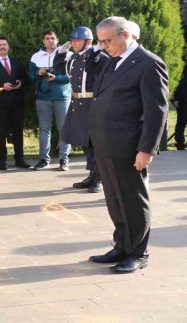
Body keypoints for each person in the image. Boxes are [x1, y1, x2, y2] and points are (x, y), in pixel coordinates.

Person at [87, 16, 168, 274]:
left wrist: (146, 149)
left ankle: (138, 253)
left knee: (133, 200)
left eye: (107, 41)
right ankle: (122, 246)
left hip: (129, 146)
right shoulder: (113, 60)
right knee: (114, 199)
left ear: (125, 35)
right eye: (100, 41)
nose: (103, 46)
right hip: (106, 144)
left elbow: (156, 111)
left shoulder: (149, 63)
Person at [54, 26, 108, 193]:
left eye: (77, 40)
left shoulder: (99, 57)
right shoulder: (74, 58)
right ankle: (92, 175)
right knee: (86, 143)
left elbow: (98, 70)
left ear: (88, 42)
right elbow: (58, 69)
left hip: (93, 103)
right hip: (77, 103)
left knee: (96, 143)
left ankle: (100, 178)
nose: (74, 43)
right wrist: (61, 52)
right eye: (73, 40)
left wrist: (96, 50)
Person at [0, 37, 31, 170]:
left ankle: (19, 159)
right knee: (1, 132)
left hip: (17, 102)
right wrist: (1, 85)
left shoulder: (17, 62)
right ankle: (2, 159)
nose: (2, 47)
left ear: (8, 47)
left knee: (18, 131)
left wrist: (21, 83)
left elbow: (26, 78)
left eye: (4, 44)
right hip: (0, 103)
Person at [29, 30, 72, 171]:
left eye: (53, 38)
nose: (50, 40)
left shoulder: (67, 54)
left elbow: (71, 76)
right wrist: (38, 72)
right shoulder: (36, 56)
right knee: (44, 129)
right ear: (43, 41)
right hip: (43, 97)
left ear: (57, 40)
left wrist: (56, 78)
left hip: (62, 96)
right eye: (47, 38)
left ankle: (64, 159)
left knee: (64, 128)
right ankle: (43, 160)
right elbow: (30, 76)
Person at [174, 56, 187, 151]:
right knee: (181, 122)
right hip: (182, 99)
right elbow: (174, 81)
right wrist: (174, 98)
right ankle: (180, 144)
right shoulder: (179, 62)